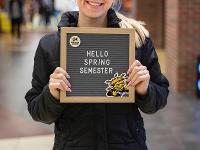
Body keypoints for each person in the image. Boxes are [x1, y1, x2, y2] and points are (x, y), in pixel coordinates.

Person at [25, 0, 169, 150]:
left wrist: (145, 90)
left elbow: (160, 97)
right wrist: (52, 94)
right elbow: (37, 111)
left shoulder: (137, 40)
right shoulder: (50, 45)